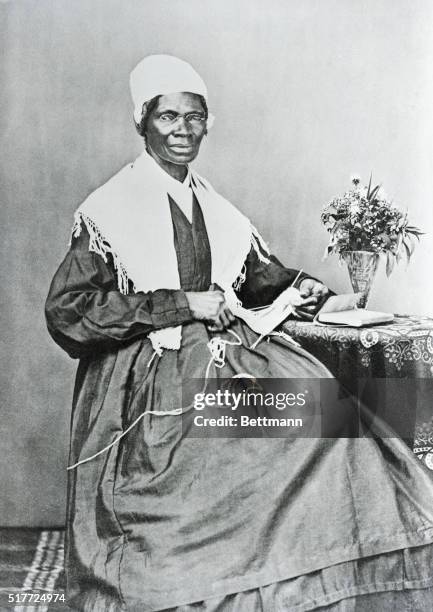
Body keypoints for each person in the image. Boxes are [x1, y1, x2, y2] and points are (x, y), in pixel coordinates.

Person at [45, 55, 433, 611]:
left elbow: (260, 278)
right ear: (143, 123)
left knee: (330, 421)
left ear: (208, 122)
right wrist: (182, 304)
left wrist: (317, 292)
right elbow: (69, 312)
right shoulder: (108, 210)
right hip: (152, 384)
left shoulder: (217, 208)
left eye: (195, 117)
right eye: (168, 117)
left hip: (229, 357)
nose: (183, 130)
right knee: (241, 450)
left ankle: (306, 581)